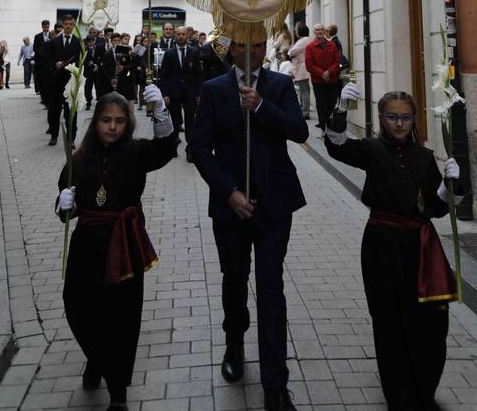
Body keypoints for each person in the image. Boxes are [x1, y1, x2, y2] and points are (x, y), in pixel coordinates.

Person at [189, 27, 308, 411]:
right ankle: (234, 343)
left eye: (258, 45)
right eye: (244, 45)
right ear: (230, 48)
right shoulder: (213, 89)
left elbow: (299, 129)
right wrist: (229, 193)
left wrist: (260, 106)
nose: (251, 52)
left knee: (271, 289)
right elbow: (198, 149)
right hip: (231, 206)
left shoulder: (279, 85)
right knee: (235, 279)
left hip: (275, 205)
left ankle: (275, 383)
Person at [324, 86, 460, 411]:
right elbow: (336, 146)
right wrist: (340, 108)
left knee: (428, 321)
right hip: (381, 245)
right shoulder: (371, 149)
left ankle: (423, 387)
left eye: (405, 117)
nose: (399, 123)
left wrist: (448, 187)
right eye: (392, 117)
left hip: (421, 248)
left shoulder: (425, 158)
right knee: (388, 320)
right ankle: (397, 394)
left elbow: (437, 209)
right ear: (382, 119)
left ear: (414, 119)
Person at [57, 87, 176, 411]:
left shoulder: (136, 153)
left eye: (120, 121)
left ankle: (118, 390)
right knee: (78, 307)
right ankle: (97, 358)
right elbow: (66, 197)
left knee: (122, 318)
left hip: (124, 242)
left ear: (128, 124)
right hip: (86, 246)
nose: (112, 127)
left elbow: (166, 149)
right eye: (106, 120)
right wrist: (63, 204)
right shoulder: (80, 157)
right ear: (95, 122)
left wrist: (160, 111)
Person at [159, 26, 200, 158]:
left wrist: (199, 93)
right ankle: (173, 146)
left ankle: (190, 150)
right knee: (175, 122)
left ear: (187, 35)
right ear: (175, 36)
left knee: (190, 122)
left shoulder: (194, 52)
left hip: (190, 93)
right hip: (173, 93)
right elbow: (163, 75)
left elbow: (198, 75)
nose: (181, 36)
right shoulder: (169, 53)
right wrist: (165, 94)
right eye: (179, 34)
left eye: (183, 34)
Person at [44, 15, 81, 148]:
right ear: (62, 25)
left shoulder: (78, 42)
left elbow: (82, 61)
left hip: (70, 82)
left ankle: (71, 139)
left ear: (73, 26)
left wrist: (74, 67)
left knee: (71, 112)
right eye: (66, 24)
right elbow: (47, 59)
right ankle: (54, 136)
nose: (68, 26)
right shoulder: (54, 42)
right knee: (54, 110)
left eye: (71, 24)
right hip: (56, 82)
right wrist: (55, 64)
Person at [304, 23, 340, 130]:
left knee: (332, 101)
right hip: (318, 81)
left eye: (321, 29)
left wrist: (329, 72)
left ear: (324, 31)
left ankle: (327, 119)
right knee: (321, 103)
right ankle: (324, 124)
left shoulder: (332, 45)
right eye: (317, 30)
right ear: (314, 32)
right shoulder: (310, 47)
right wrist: (322, 74)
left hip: (332, 79)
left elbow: (337, 61)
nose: (319, 31)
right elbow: (309, 65)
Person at [287, 23, 313, 120]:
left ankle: (305, 111)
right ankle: (304, 109)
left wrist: (289, 52)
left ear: (301, 30)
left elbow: (291, 52)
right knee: (305, 89)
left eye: (296, 30)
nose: (295, 31)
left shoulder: (303, 40)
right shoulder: (307, 39)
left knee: (304, 90)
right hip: (303, 66)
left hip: (302, 67)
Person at [33, 19, 51, 102]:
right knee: (41, 80)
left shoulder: (52, 35)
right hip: (40, 62)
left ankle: (48, 97)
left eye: (47, 27)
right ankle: (43, 98)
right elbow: (34, 49)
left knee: (49, 81)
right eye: (45, 27)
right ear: (42, 27)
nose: (46, 28)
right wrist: (42, 51)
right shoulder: (37, 36)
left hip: (50, 62)